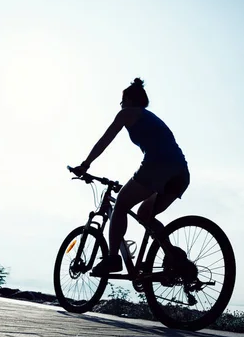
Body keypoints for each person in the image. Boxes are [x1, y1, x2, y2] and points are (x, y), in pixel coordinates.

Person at [72, 78, 191, 276]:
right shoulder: (151, 117)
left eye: (122, 100)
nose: (121, 105)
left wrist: (85, 165)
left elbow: (105, 140)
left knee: (121, 204)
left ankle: (112, 258)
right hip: (180, 172)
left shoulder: (128, 113)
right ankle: (174, 257)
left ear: (128, 99)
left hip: (158, 166)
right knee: (145, 214)